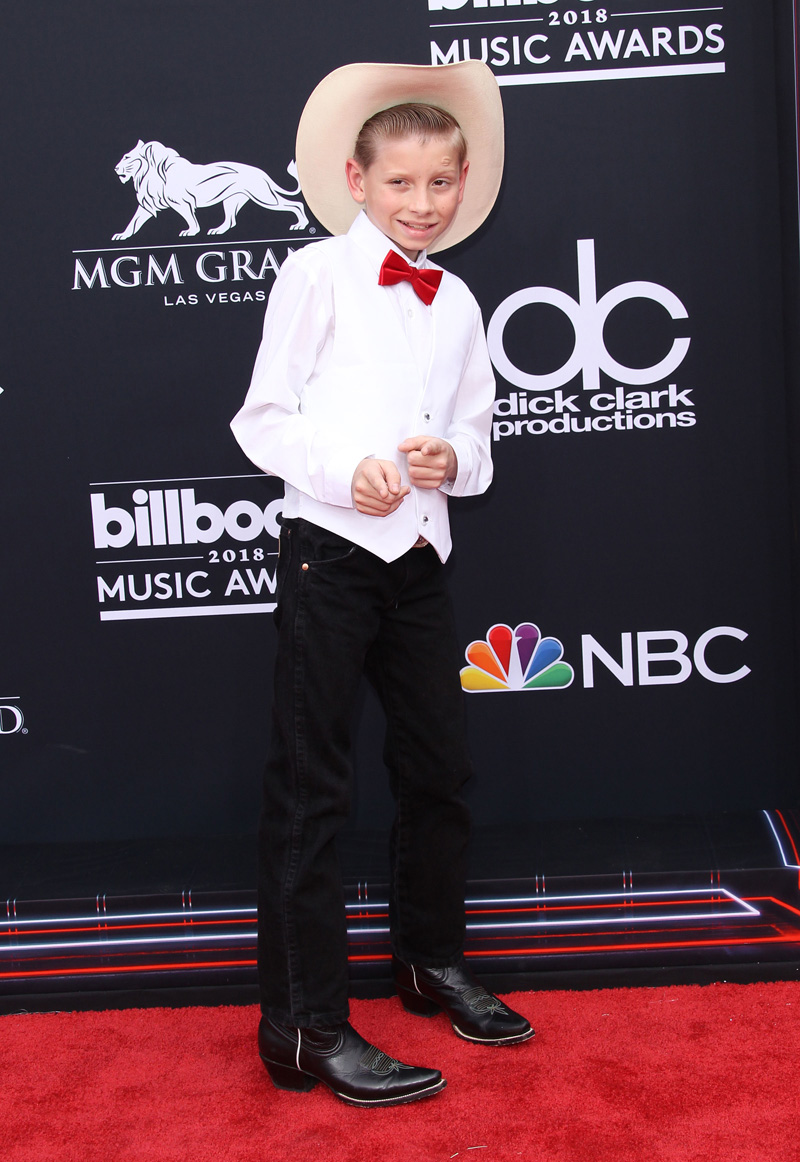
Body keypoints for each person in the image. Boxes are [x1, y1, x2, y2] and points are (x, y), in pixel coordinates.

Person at [231, 60, 533, 1109]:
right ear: (355, 182)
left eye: (438, 184)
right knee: (313, 792)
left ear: (461, 187)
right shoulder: (312, 277)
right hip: (329, 557)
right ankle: (304, 1026)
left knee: (437, 773)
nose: (420, 202)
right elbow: (262, 419)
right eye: (399, 184)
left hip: (418, 561)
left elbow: (476, 434)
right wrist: (337, 469)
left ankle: (427, 962)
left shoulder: (455, 299)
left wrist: (456, 461)